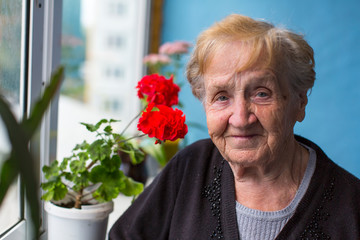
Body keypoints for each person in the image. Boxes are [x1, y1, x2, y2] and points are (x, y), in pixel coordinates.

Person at [109, 14, 360, 239]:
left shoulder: (352, 207)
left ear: (300, 101)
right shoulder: (191, 166)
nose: (240, 119)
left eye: (262, 93)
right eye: (221, 97)